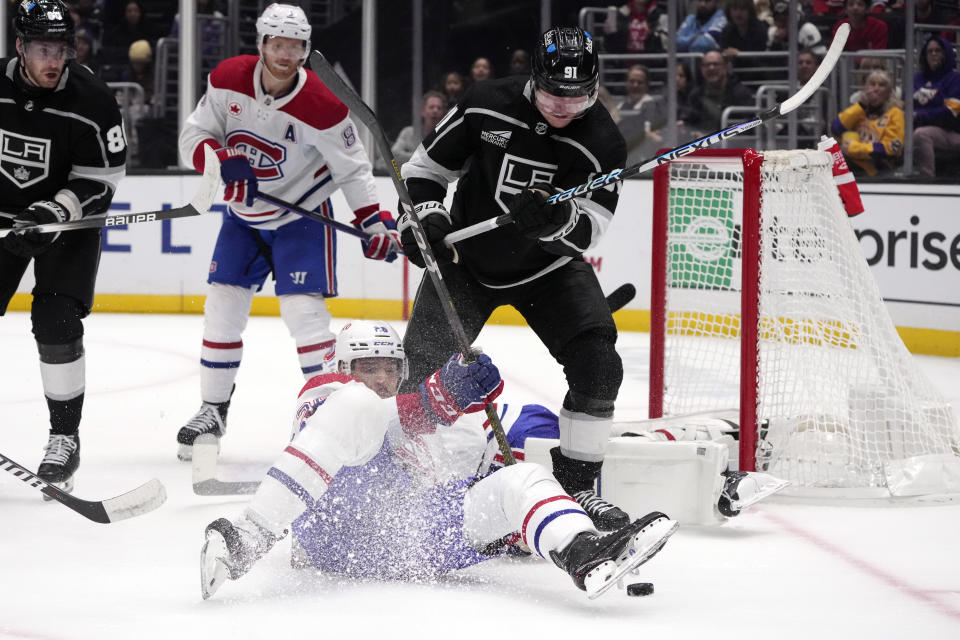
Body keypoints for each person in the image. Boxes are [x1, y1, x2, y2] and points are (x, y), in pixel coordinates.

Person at [199, 320, 678, 600]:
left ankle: (581, 550)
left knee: (520, 478)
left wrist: (481, 430)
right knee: (361, 407)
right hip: (335, 538)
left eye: (391, 369)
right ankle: (249, 536)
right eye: (370, 368)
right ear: (344, 368)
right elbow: (373, 419)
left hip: (408, 543)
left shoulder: (407, 424)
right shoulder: (328, 394)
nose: (383, 379)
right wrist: (438, 398)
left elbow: (452, 457)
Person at [396, 27, 631, 531]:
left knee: (598, 364)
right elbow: (424, 170)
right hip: (468, 266)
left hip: (549, 269)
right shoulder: (487, 103)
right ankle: (397, 474)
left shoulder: (604, 141)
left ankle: (576, 489)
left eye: (577, 96)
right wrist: (427, 218)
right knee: (415, 372)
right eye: (552, 94)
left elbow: (590, 228)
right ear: (533, 80)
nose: (563, 108)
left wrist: (558, 222)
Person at [174, 3, 400, 461]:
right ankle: (213, 410)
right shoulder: (227, 79)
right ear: (261, 44)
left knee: (305, 316)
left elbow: (353, 171)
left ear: (306, 49)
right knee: (222, 307)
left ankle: (326, 416)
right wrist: (220, 161)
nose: (285, 54)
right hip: (243, 217)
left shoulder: (324, 104)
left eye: (295, 46)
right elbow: (192, 137)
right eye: (277, 44)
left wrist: (373, 220)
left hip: (302, 218)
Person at [0, 0, 126, 494]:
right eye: (41, 48)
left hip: (68, 227)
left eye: (61, 48)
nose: (53, 60)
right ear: (20, 47)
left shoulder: (92, 97)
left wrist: (56, 211)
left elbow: (103, 178)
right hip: (5, 224)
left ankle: (64, 438)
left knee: (56, 321)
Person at [830, 69, 904, 176]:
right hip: (851, 162)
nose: (876, 89)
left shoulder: (895, 113)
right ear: (866, 89)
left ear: (889, 92)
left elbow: (891, 148)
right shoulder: (859, 110)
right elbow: (836, 128)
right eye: (872, 84)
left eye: (881, 85)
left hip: (878, 167)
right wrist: (861, 106)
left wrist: (854, 148)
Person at [911, 35, 960, 178]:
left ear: (946, 53)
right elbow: (905, 106)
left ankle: (926, 179)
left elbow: (950, 112)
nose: (933, 54)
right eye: (929, 51)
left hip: (951, 131)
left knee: (921, 134)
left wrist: (919, 115)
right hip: (917, 126)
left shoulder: (955, 79)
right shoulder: (916, 79)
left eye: (937, 50)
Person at [679, 49, 755, 139]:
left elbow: (747, 127)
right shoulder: (695, 94)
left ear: (725, 67)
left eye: (716, 64)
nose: (711, 68)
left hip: (733, 146)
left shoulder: (740, 93)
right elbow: (688, 120)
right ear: (702, 69)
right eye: (707, 65)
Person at [616, 64, 667, 164]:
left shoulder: (655, 107)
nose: (635, 85)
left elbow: (658, 139)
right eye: (632, 81)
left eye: (640, 82)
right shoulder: (620, 106)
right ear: (626, 83)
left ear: (647, 85)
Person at [391, 90, 447, 166]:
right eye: (431, 107)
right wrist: (425, 158)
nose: (435, 110)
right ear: (422, 111)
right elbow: (395, 154)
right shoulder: (408, 132)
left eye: (439, 108)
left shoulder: (446, 135)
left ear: (443, 113)